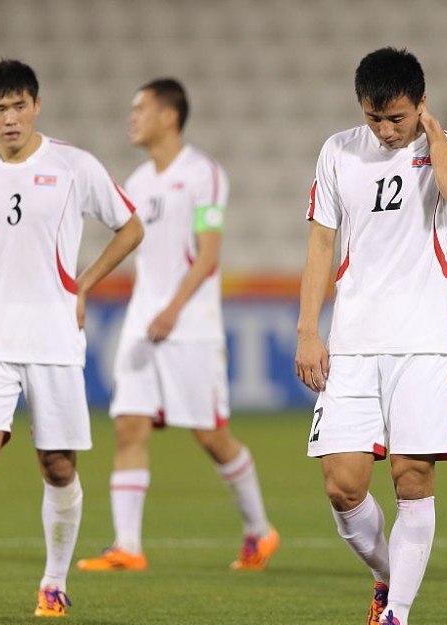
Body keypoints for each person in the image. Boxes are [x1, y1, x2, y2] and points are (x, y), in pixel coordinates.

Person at [0, 59, 144, 618]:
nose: (11, 117)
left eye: (19, 105)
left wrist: (85, 284)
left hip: (52, 337)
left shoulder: (73, 164)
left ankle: (53, 581)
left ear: (36, 105)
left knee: (57, 465)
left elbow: (131, 224)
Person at [294, 46, 447, 625]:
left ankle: (395, 616)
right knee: (342, 487)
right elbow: (322, 244)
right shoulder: (337, 150)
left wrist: (429, 130)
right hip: (352, 343)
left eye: (396, 117)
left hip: (422, 344)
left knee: (413, 477)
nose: (385, 130)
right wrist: (308, 330)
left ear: (419, 104)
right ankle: (385, 575)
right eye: (375, 118)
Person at [76, 79, 278, 573]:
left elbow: (209, 254)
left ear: (168, 116)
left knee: (211, 435)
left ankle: (260, 531)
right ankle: (128, 545)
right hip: (142, 323)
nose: (132, 117)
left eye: (139, 108)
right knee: (129, 425)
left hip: (190, 326)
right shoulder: (139, 182)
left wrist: (173, 308)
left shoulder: (203, 174)